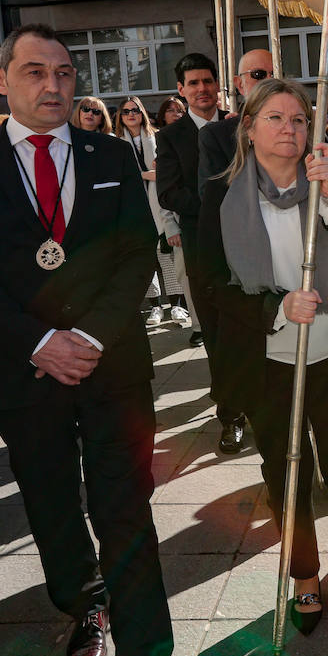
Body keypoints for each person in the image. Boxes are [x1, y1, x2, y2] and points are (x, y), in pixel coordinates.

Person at [0, 25, 174, 656]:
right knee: (52, 506)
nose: (54, 85)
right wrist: (41, 342)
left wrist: (91, 336)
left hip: (113, 365)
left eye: (65, 73)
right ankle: (83, 603)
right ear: (1, 79)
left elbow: (137, 254)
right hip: (23, 371)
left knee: (126, 509)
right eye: (35, 71)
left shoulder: (110, 152)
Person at [196, 77, 328, 635]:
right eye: (274, 118)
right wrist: (277, 308)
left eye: (299, 120)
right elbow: (211, 285)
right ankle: (304, 574)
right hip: (268, 361)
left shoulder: (325, 180)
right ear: (248, 129)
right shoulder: (220, 195)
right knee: (287, 472)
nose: (289, 129)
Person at [156, 53, 240, 448]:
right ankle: (230, 414)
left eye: (208, 81)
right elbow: (169, 192)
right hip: (204, 246)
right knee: (218, 331)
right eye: (193, 83)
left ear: (218, 85)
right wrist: (218, 205)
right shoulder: (170, 137)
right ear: (181, 90)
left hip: (250, 241)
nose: (202, 89)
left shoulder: (239, 124)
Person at [114, 95, 190, 330]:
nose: (131, 115)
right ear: (120, 117)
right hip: (133, 208)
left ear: (142, 113)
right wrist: (145, 174)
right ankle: (155, 305)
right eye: (126, 111)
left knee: (167, 254)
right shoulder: (116, 143)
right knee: (145, 258)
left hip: (161, 206)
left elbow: (165, 173)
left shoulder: (157, 137)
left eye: (135, 110)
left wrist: (138, 175)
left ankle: (177, 304)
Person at [198, 49, 274, 184]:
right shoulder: (219, 135)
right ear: (239, 84)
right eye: (258, 74)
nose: (269, 81)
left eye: (275, 74)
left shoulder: (302, 126)